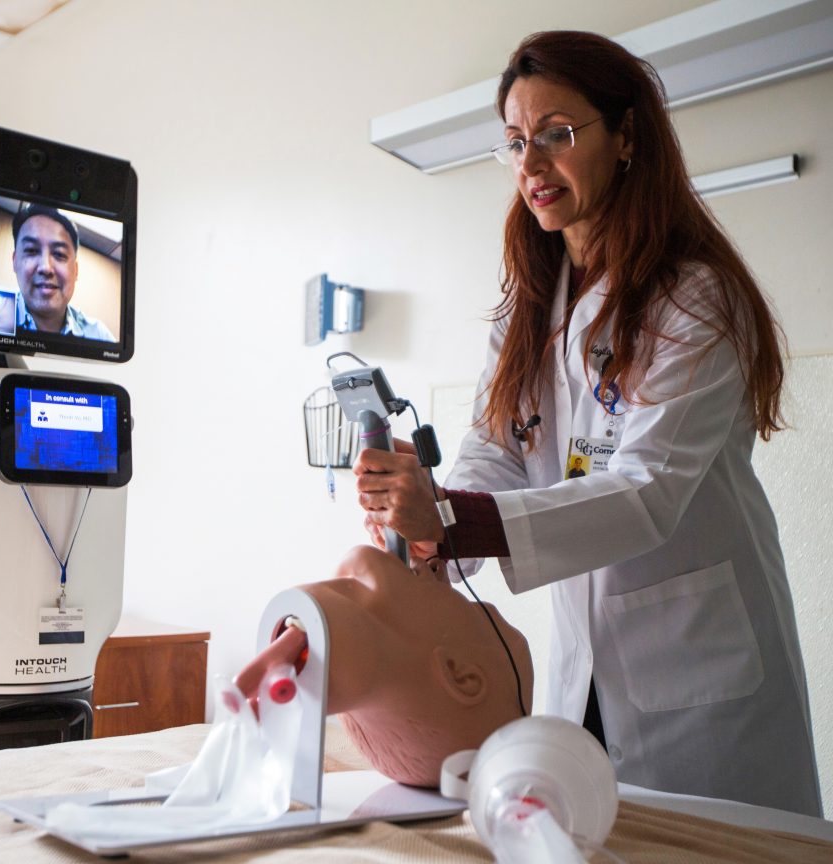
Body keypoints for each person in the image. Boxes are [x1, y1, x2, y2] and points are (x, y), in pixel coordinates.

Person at [353, 31, 821, 816]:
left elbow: (646, 491)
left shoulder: (694, 299)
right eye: (513, 143)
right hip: (587, 667)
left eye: (556, 135)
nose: (530, 165)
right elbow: (494, 449)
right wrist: (436, 511)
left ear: (627, 135)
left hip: (703, 679)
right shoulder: (529, 309)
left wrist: (455, 518)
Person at [234, 544, 533, 788]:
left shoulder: (350, 640)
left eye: (466, 604)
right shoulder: (356, 629)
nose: (430, 570)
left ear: (458, 674)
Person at [11, 203, 116, 341]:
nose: (46, 267)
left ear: (76, 271)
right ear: (15, 261)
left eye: (59, 254)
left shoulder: (99, 335)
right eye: (31, 250)